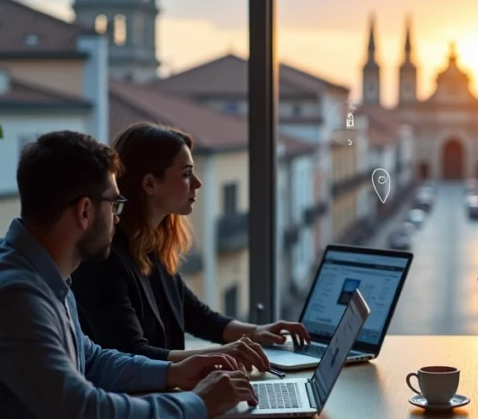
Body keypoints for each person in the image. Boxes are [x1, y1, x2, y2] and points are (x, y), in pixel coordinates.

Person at [0, 131, 258, 419]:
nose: (119, 217)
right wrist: (198, 404)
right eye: (115, 205)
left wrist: (172, 373)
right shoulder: (10, 296)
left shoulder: (42, 273)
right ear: (85, 211)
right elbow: (87, 418)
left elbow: (91, 359)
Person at [71, 122, 310, 373]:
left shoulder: (153, 245)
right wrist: (224, 353)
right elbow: (132, 353)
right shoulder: (104, 260)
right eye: (186, 174)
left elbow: (195, 313)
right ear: (150, 184)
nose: (197, 183)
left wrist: (257, 332)